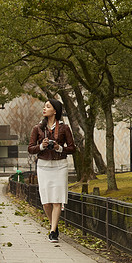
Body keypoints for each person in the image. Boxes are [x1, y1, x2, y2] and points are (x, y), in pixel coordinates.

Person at [28, 99, 76, 243]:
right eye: (44, 106)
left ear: (55, 111)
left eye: (47, 106)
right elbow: (30, 149)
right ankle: (53, 225)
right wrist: (41, 146)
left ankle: (53, 232)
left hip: (60, 165)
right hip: (43, 166)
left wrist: (59, 148)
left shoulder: (64, 128)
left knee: (57, 200)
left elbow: (72, 148)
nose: (44, 108)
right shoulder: (38, 128)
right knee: (46, 202)